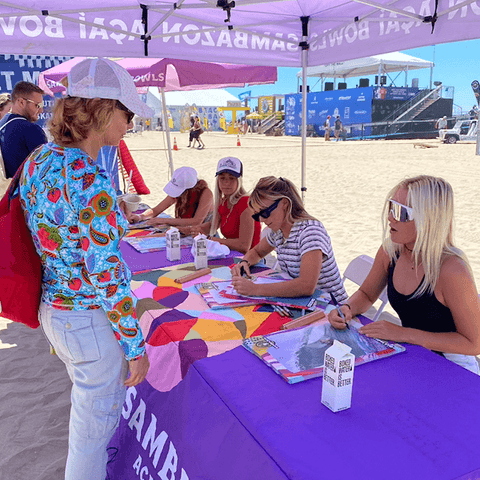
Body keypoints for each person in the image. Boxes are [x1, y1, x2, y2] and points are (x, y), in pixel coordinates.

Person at [19, 57, 152, 480]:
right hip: (87, 319)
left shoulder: (39, 160)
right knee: (91, 437)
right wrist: (135, 348)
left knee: (86, 421)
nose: (130, 125)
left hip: (53, 310)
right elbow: (106, 274)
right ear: (105, 110)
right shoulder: (91, 178)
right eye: (127, 114)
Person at [328, 175, 480, 374]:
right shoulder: (391, 251)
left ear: (428, 219)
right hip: (413, 352)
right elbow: (366, 295)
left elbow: (473, 343)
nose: (391, 217)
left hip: (452, 365)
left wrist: (404, 333)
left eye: (401, 212)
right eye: (391, 207)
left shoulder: (451, 270)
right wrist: (347, 309)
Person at [231, 176, 348, 300]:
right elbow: (257, 252)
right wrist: (244, 263)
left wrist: (255, 289)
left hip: (333, 307)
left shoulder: (310, 232)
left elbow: (306, 286)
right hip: (304, 302)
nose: (261, 220)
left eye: (264, 213)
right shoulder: (277, 230)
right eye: (257, 216)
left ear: (284, 204)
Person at [186, 157, 261, 254]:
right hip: (233, 254)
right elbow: (211, 225)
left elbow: (244, 246)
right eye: (222, 178)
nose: (226, 183)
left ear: (239, 180)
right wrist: (193, 229)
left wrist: (211, 239)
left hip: (250, 258)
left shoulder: (245, 203)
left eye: (231, 178)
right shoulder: (223, 201)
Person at [126, 166, 213, 227]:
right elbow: (156, 210)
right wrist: (140, 217)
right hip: (186, 231)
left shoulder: (205, 193)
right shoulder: (182, 191)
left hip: (205, 237)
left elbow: (196, 222)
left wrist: (163, 220)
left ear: (189, 189)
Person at [0, 81, 47, 179]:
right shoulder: (32, 130)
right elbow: (46, 171)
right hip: (25, 192)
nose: (41, 110)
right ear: (21, 102)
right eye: (37, 105)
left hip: (6, 192)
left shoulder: (2, 124)